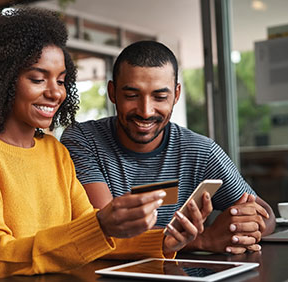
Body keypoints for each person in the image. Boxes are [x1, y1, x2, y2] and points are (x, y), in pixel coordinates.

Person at [0, 10, 212, 282]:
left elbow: (92, 234)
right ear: (2, 80)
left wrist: (163, 241)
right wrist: (100, 226)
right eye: (38, 79)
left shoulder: (54, 151)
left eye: (62, 81)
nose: (55, 92)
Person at [61, 40, 276, 255]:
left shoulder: (200, 151)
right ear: (112, 92)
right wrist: (204, 239)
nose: (145, 111)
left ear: (176, 95)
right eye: (132, 95)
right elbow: (106, 232)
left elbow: (266, 215)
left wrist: (241, 227)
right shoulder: (83, 141)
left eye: (160, 97)